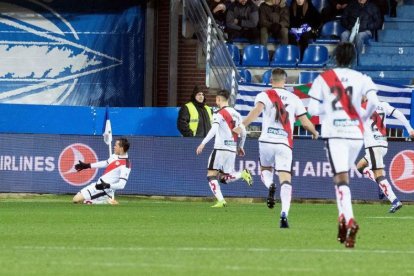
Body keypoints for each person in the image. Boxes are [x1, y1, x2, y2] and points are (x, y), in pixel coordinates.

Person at [307, 42, 380, 248]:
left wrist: (331, 111)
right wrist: (362, 117)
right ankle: (342, 219)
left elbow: (312, 109)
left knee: (340, 179)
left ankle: (349, 219)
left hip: (335, 134)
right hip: (356, 134)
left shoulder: (324, 78)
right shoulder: (362, 78)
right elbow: (374, 102)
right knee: (343, 179)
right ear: (353, 58)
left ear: (336, 57)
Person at [233, 68, 319, 228]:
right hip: (284, 143)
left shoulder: (264, 95)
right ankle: (284, 213)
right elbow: (305, 122)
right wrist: (314, 132)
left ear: (271, 80)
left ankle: (270, 185)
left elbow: (256, 111)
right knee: (286, 178)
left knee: (265, 168)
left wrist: (241, 126)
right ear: (285, 81)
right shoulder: (295, 98)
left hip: (266, 141)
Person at [196, 89, 253, 208]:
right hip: (232, 149)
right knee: (223, 178)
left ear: (218, 100)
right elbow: (244, 132)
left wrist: (203, 143)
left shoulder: (219, 113)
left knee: (211, 174)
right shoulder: (237, 114)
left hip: (220, 148)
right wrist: (240, 146)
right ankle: (242, 174)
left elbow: (214, 129)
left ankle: (221, 201)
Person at [356, 100, 414, 213]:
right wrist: (409, 129)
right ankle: (382, 185)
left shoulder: (360, 107)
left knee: (378, 175)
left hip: (373, 145)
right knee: (360, 166)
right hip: (383, 144)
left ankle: (394, 200)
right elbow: (399, 114)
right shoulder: (383, 104)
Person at [72, 138, 131, 205]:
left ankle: (106, 200)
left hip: (105, 190)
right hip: (98, 184)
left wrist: (107, 186)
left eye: (116, 145)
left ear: (121, 148)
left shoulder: (126, 165)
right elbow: (105, 163)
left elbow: (122, 185)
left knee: (77, 200)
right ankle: (108, 200)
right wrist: (87, 166)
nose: (114, 147)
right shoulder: (114, 156)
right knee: (75, 199)